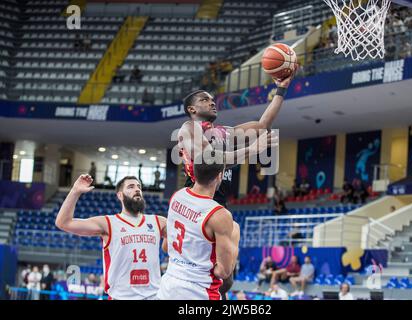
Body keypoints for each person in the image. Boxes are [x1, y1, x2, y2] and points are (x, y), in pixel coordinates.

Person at [177, 71, 295, 297]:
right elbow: (207, 159)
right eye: (204, 100)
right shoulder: (188, 128)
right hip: (196, 198)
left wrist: (281, 89)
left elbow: (263, 124)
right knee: (196, 269)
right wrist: (250, 150)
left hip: (219, 201)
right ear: (192, 109)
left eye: (212, 99)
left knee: (226, 278)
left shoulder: (226, 133)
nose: (211, 102)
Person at [55, 174, 167, 300]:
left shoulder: (158, 221)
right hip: (121, 297)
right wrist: (75, 191)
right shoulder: (108, 223)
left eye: (139, 187)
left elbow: (175, 244)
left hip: (154, 297)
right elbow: (63, 223)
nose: (137, 189)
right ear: (120, 195)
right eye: (131, 187)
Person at [157, 153, 240, 300]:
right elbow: (223, 272)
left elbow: (166, 247)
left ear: (194, 172)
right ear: (220, 176)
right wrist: (235, 237)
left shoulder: (177, 196)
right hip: (198, 293)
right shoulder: (219, 215)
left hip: (167, 287)